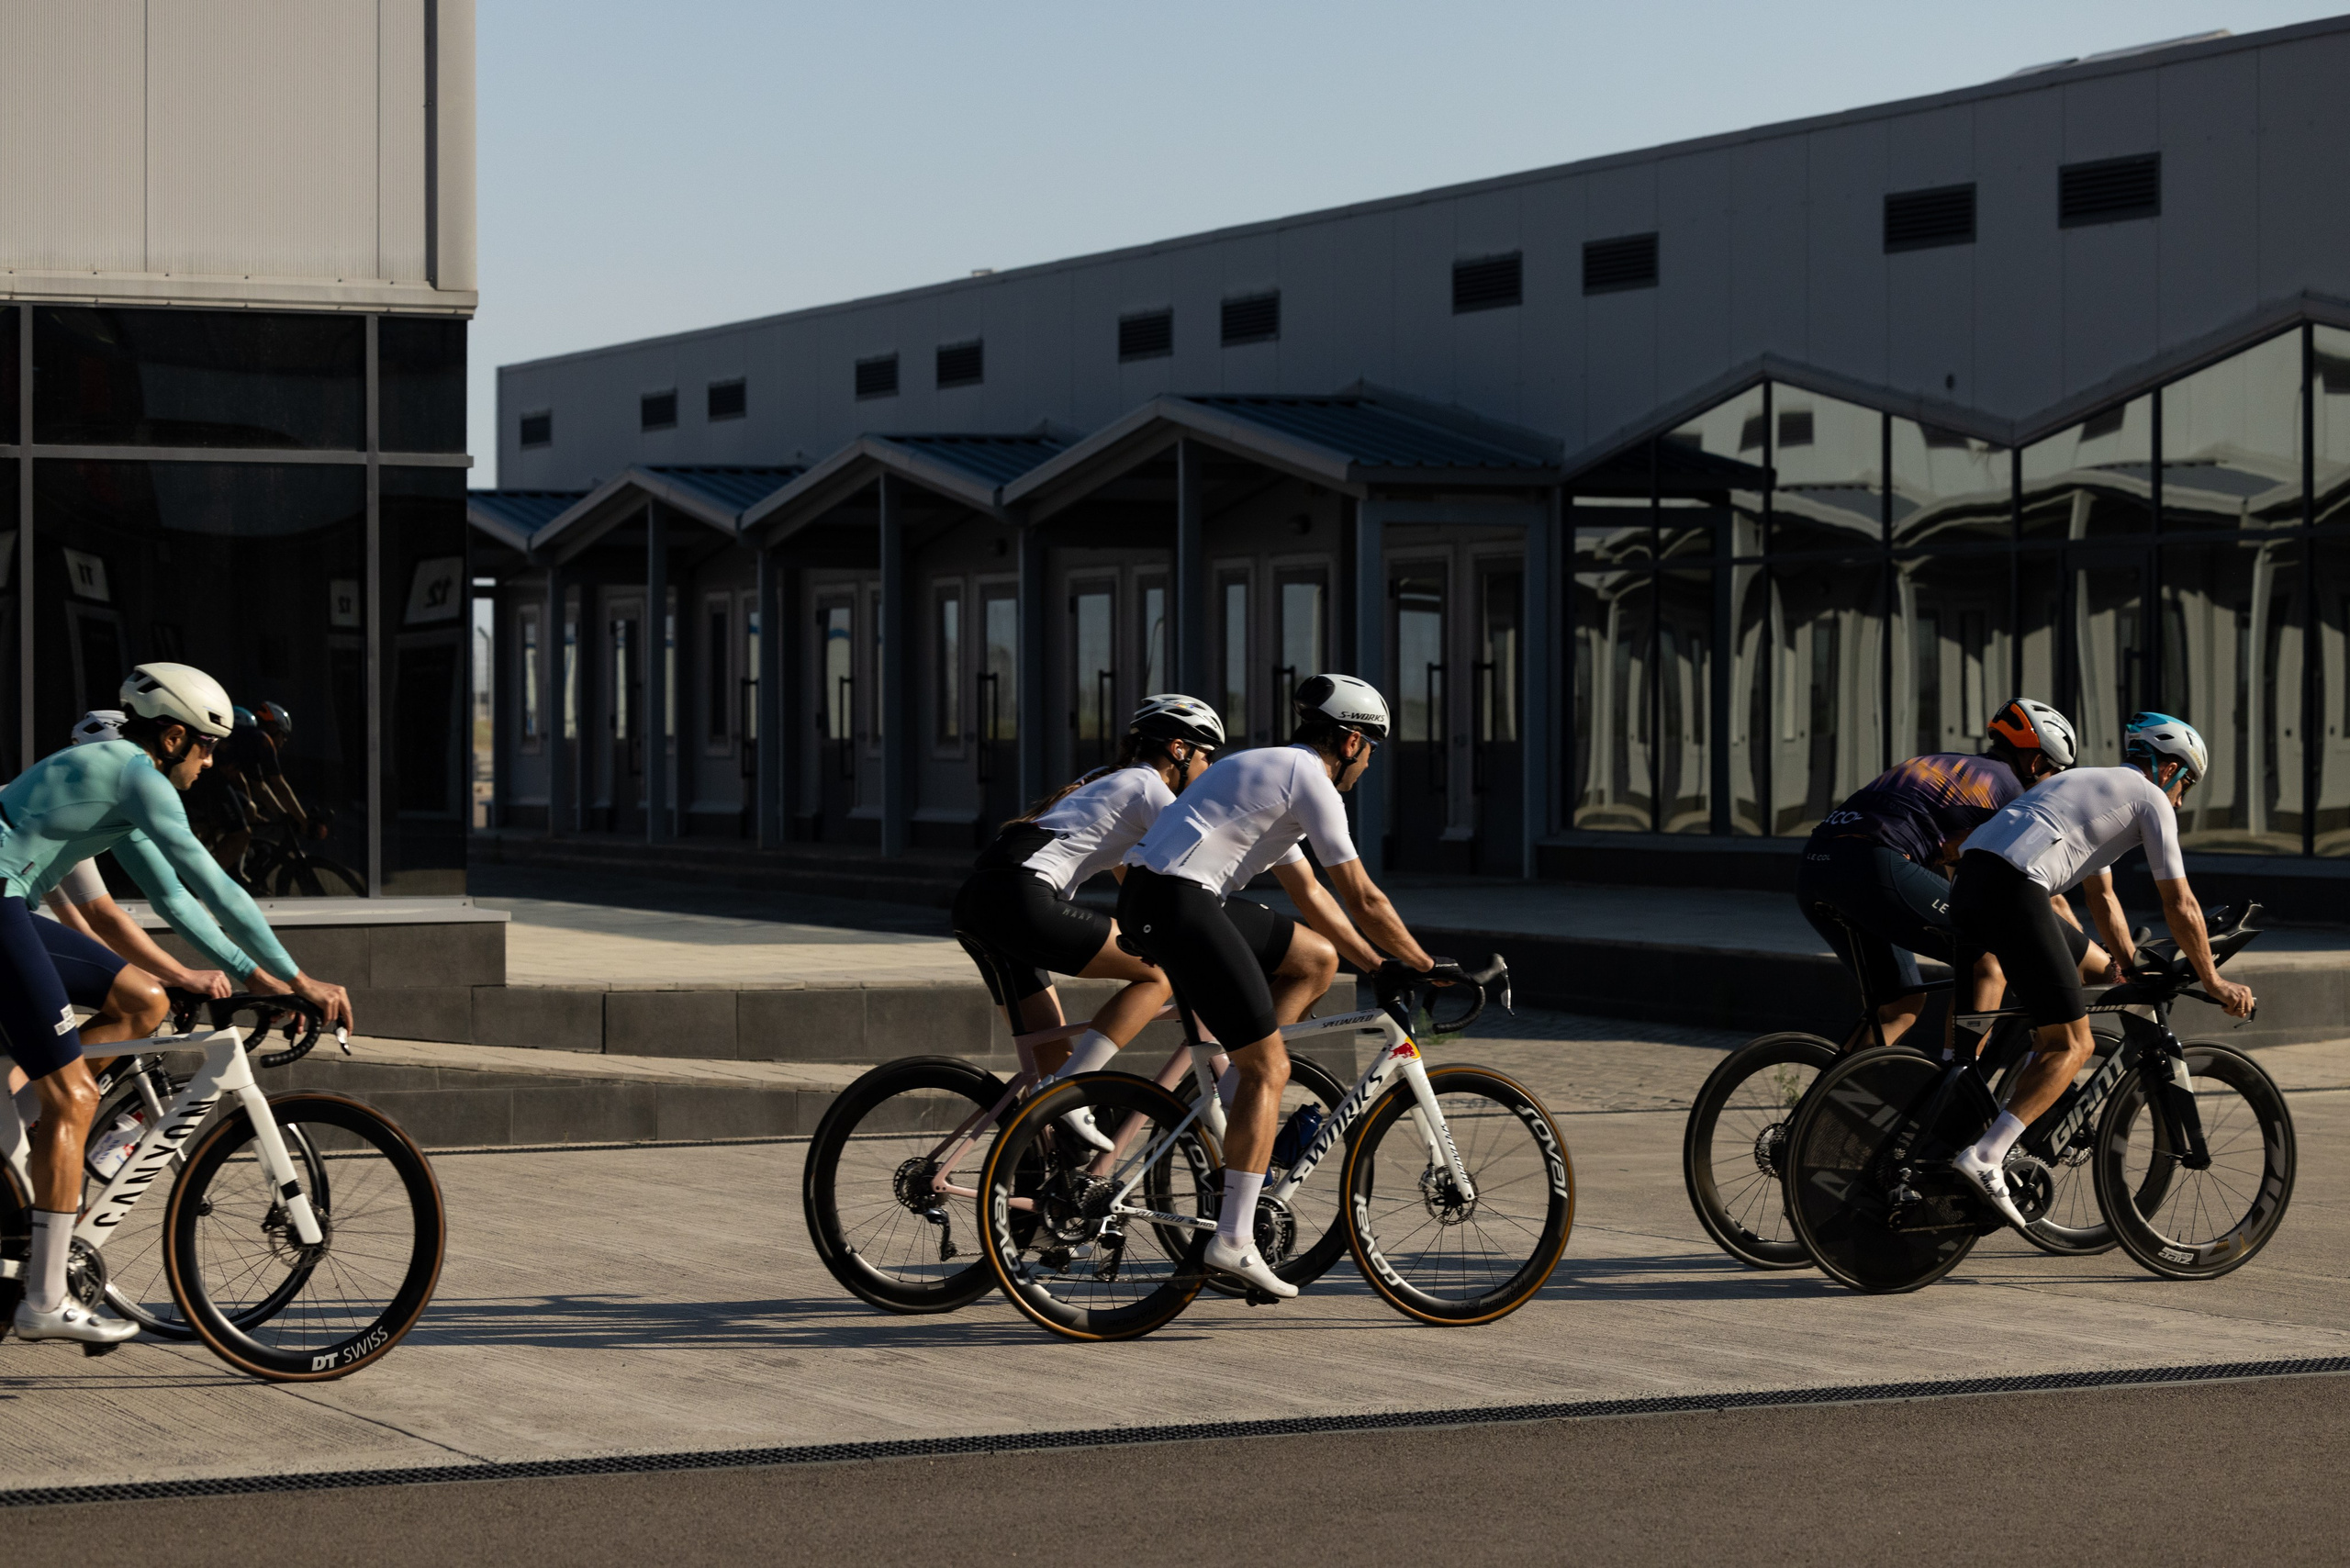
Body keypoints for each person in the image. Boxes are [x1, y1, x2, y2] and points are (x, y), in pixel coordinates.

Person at [0, 664, 354, 1345]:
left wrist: (248, 972)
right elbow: (214, 885)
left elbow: (172, 899)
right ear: (170, 738)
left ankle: (20, 1144)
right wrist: (296, 979)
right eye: (207, 746)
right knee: (73, 1097)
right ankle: (44, 1300)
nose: (212, 761)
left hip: (8, 900)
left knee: (140, 996)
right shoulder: (136, 774)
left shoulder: (121, 787)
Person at [1118, 673, 1450, 1300]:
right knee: (1271, 1064)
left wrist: (1378, 967)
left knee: (1314, 960)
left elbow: (1313, 898)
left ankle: (1245, 1088)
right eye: (1372, 747)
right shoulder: (1310, 780)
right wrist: (1426, 965)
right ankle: (1234, 1237)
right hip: (1179, 901)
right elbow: (1363, 896)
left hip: (1159, 896)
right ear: (1350, 741)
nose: (1370, 761)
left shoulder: (1270, 774)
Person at [1947, 711, 2255, 1226]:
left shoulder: (2085, 784)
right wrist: (2213, 980)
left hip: (1969, 882)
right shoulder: (2150, 798)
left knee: (2045, 1009)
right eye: (2187, 786)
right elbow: (2180, 903)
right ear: (2171, 770)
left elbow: (2104, 899)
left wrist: (2128, 968)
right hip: (2015, 889)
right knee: (2074, 1044)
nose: (2181, 800)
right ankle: (1985, 1156)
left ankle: (1954, 1107)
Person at [950, 696, 1231, 1147]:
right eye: (1206, 756)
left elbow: (1138, 888)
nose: (1208, 767)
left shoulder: (1102, 781)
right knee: (1156, 973)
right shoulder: (1150, 790)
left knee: (1051, 1057)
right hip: (1023, 896)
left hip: (978, 901)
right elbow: (1185, 879)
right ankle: (1071, 1091)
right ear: (1179, 750)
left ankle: (1040, 1184)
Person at [1796, 698, 2109, 1051]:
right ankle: (1957, 1086)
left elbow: (1963, 878)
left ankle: (1832, 1100)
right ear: (2037, 762)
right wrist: (2087, 953)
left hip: (1814, 867)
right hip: (1872, 864)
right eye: (2056, 773)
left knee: (1898, 1006)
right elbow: (2039, 895)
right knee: (1988, 962)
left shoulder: (1950, 765)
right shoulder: (2011, 794)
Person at [4, 712, 239, 1162]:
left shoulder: (81, 805)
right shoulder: (71, 808)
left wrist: (165, 976)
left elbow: (100, 918)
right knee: (49, 1072)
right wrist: (179, 974)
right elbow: (94, 918)